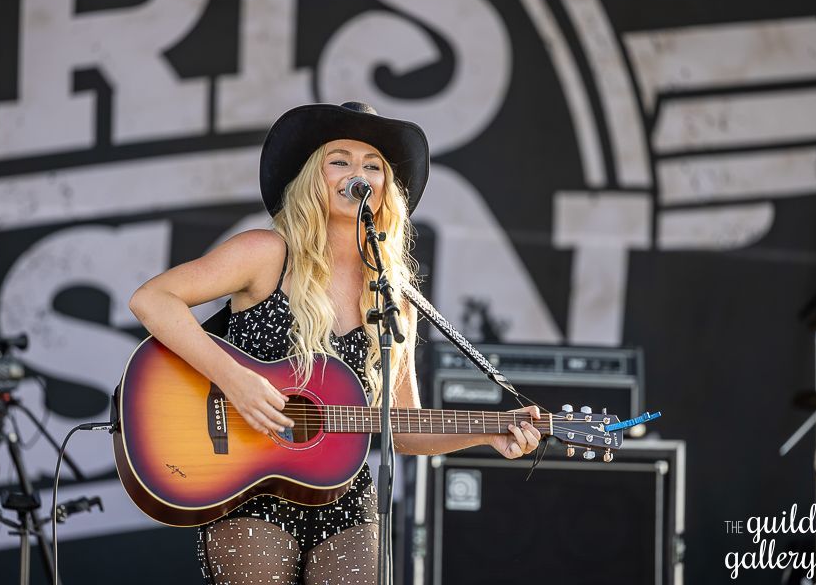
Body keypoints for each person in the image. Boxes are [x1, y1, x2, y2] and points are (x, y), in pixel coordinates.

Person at [128, 102, 541, 585]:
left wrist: (489, 431)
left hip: (342, 493)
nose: (357, 174)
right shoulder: (265, 253)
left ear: (385, 188)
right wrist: (236, 382)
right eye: (339, 161)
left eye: (372, 166)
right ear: (312, 178)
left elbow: (402, 427)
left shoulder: (394, 296)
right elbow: (152, 300)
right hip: (249, 488)